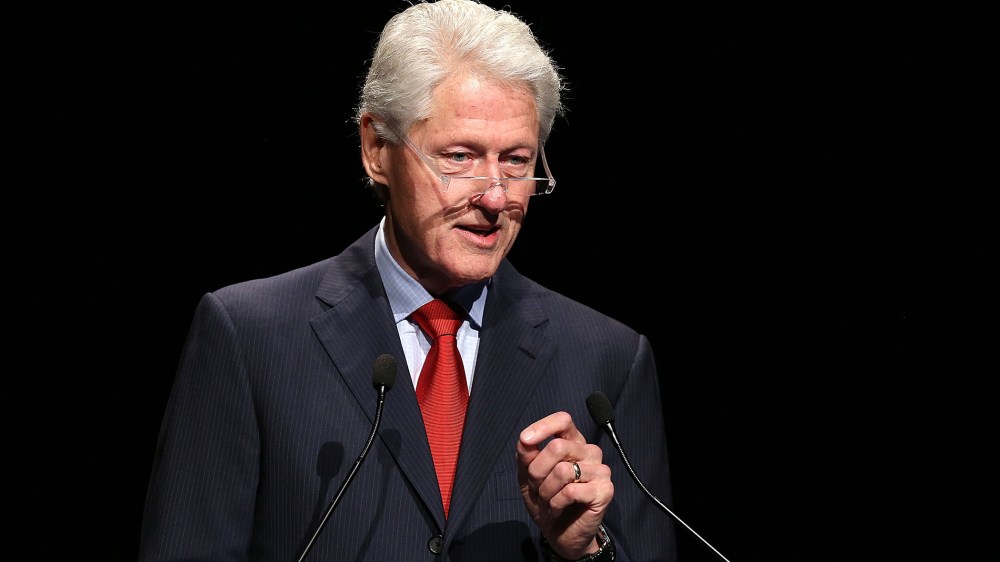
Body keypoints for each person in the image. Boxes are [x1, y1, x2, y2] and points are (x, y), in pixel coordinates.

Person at [139, 0, 676, 560]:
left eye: (516, 160)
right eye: (460, 156)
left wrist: (585, 553)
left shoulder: (610, 361)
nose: (495, 196)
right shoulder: (249, 338)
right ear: (376, 149)